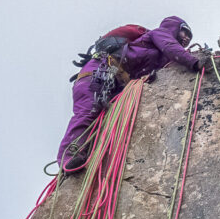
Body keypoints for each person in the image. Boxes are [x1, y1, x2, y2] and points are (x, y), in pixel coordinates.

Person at [57, 17, 209, 172]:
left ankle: (83, 155)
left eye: (189, 38)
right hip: (97, 74)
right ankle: (67, 158)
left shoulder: (160, 57)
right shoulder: (160, 34)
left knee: (101, 122)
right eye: (184, 32)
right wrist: (194, 62)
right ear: (173, 28)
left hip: (112, 83)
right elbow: (170, 47)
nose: (186, 39)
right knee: (88, 111)